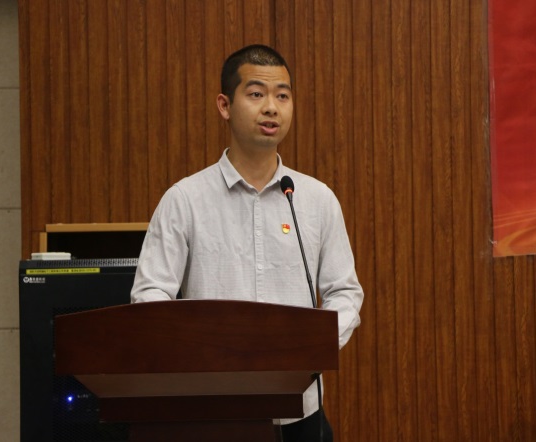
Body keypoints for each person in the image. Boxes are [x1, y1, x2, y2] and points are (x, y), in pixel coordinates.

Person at [131, 44, 363, 442]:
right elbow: (149, 294)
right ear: (225, 105)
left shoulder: (315, 199)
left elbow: (345, 292)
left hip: (300, 414)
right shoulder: (185, 199)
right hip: (212, 412)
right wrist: (198, 351)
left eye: (282, 96)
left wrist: (309, 349)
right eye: (256, 94)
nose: (271, 107)